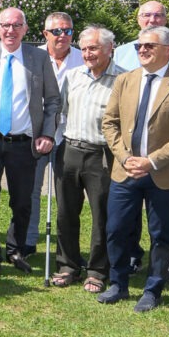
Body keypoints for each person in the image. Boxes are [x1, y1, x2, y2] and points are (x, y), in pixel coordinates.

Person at [99, 26, 169, 312]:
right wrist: (125, 157)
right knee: (116, 229)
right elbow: (110, 123)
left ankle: (153, 288)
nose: (141, 50)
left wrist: (151, 161)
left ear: (168, 50)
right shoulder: (125, 80)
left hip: (162, 175)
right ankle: (117, 284)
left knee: (161, 234)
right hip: (125, 170)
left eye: (149, 46)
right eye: (139, 46)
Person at [0, 8, 61, 281]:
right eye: (5, 25)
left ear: (25, 29)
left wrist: (48, 134)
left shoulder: (39, 58)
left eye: (16, 25)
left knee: (22, 203)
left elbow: (53, 100)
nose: (10, 30)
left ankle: (15, 251)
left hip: (24, 144)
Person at [53, 26, 119, 289]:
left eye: (94, 48)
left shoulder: (123, 79)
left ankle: (97, 270)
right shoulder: (72, 76)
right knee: (66, 212)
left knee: (101, 214)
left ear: (109, 48)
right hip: (70, 149)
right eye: (85, 49)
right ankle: (68, 265)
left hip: (101, 154)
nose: (88, 54)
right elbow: (63, 110)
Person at [25, 11, 85, 253]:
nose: (63, 36)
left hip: (70, 136)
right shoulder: (32, 57)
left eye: (68, 31)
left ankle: (66, 250)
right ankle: (27, 242)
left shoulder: (83, 58)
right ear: (45, 34)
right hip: (37, 135)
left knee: (68, 196)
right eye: (57, 31)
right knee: (31, 191)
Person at [112, 1, 169, 79]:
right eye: (146, 15)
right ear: (138, 20)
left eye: (158, 15)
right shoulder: (121, 53)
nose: (152, 20)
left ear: (165, 20)